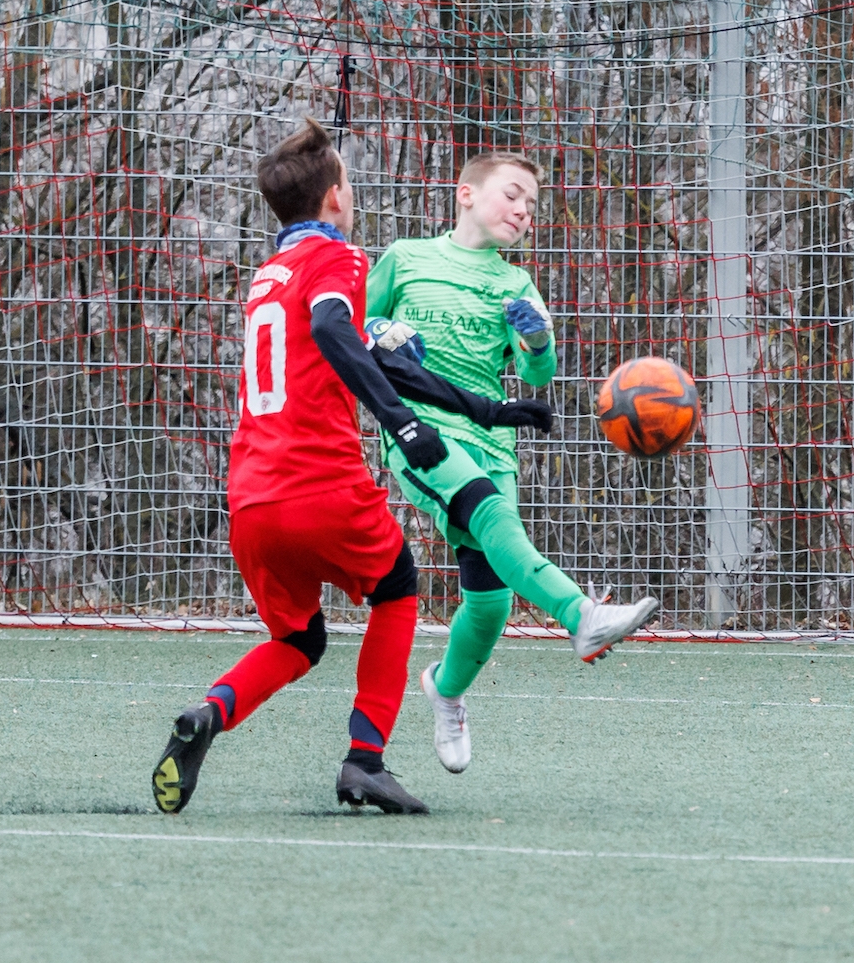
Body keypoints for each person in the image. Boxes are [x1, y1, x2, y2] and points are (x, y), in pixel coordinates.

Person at [151, 122, 551, 816]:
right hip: (319, 483)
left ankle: (210, 713)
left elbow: (380, 356)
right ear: (336, 198)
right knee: (397, 590)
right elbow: (340, 333)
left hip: (249, 500)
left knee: (299, 639)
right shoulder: (338, 260)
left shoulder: (268, 277)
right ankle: (365, 759)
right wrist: (400, 422)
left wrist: (487, 410)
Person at [366, 151, 659, 776]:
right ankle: (581, 614)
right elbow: (355, 321)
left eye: (532, 204)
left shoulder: (515, 284)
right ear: (466, 194)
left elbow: (536, 374)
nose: (524, 210)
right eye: (512, 194)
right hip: (421, 432)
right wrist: (386, 332)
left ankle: (444, 689)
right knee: (496, 518)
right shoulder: (408, 257)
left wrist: (536, 338)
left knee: (490, 604)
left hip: (493, 442)